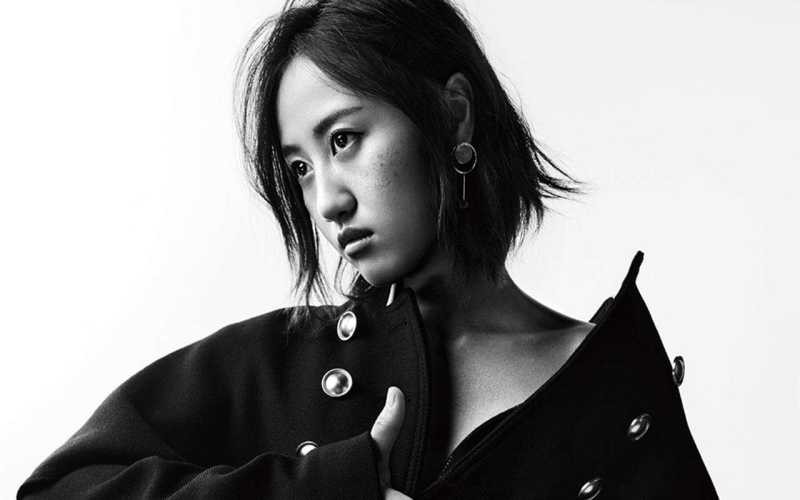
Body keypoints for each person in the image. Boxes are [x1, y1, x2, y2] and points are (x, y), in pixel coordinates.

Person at [17, 0, 718, 498]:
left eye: (344, 140)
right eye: (300, 167)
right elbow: (58, 489)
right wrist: (318, 490)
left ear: (452, 114)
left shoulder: (615, 394)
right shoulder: (279, 365)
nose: (326, 201)